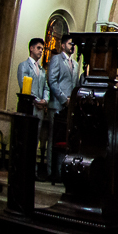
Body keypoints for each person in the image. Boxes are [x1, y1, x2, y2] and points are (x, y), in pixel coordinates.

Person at [46, 33, 80, 182]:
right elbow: (52, 80)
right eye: (70, 44)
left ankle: (62, 172)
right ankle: (50, 171)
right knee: (53, 138)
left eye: (73, 45)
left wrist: (72, 101)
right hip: (57, 104)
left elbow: (75, 85)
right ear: (63, 45)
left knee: (65, 139)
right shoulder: (56, 59)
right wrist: (62, 98)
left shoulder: (76, 64)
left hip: (69, 107)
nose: (72, 47)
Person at [16, 37, 50, 171]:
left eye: (42, 49)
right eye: (39, 48)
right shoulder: (24, 66)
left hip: (39, 109)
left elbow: (46, 88)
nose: (41, 51)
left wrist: (45, 100)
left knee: (34, 140)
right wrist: (36, 100)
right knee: (25, 138)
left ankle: (32, 168)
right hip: (28, 107)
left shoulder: (42, 70)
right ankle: (22, 167)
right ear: (31, 48)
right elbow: (24, 85)